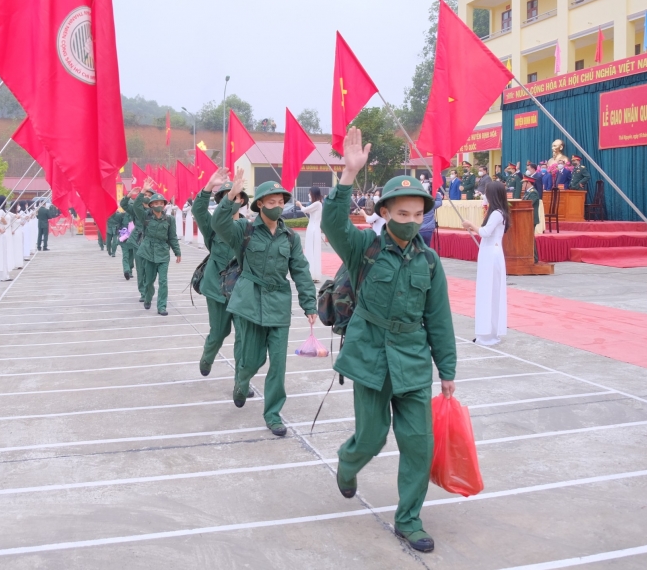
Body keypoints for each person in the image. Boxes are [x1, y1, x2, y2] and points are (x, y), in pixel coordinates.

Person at [322, 128, 456, 554]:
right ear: (384, 213)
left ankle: (409, 519)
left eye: (418, 213)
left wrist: (447, 370)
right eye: (402, 214)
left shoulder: (430, 262)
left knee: (419, 442)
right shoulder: (364, 247)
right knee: (374, 436)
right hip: (371, 354)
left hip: (413, 358)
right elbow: (332, 223)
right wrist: (348, 174)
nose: (411, 221)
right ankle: (348, 462)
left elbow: (439, 318)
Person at [211, 170, 317, 437]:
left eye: (281, 201)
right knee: (252, 359)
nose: (277, 206)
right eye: (271, 202)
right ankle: (241, 381)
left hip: (279, 303)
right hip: (249, 301)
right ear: (259, 204)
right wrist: (232, 197)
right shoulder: (243, 230)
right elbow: (218, 223)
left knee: (278, 364)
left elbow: (301, 271)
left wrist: (309, 304)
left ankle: (272, 414)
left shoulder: (290, 238)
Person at [194, 170, 248, 376]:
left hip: (241, 291)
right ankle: (208, 357)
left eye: (235, 195)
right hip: (216, 288)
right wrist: (209, 185)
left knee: (243, 337)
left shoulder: (249, 228)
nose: (232, 199)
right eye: (227, 196)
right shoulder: (213, 227)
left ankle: (241, 382)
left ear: (242, 200)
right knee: (219, 332)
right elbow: (199, 211)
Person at [462, 182, 509, 346]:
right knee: (487, 292)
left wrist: (470, 225)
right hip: (489, 252)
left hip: (492, 253)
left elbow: (485, 232)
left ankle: (489, 335)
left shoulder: (497, 213)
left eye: (486, 193)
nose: (484, 195)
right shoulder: (496, 212)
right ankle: (485, 333)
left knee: (490, 293)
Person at [132, 190, 181, 315]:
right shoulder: (146, 217)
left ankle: (162, 306)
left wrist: (177, 252)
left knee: (163, 281)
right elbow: (136, 207)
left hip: (163, 252)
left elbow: (172, 237)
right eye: (156, 203)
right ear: (151, 205)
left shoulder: (170, 219)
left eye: (161, 202)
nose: (159, 205)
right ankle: (147, 298)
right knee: (149, 281)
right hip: (148, 252)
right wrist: (142, 193)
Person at [296, 186, 324, 282]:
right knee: (311, 250)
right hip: (312, 228)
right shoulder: (317, 204)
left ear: (313, 194)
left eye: (310, 193)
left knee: (313, 250)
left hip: (313, 229)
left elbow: (304, 209)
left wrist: (299, 204)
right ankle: (312, 274)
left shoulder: (317, 203)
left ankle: (313, 274)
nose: (309, 195)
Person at [0, 195, 12, 281]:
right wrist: (0, 230)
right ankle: (2, 275)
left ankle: (6, 274)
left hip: (6, 233)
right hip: (2, 234)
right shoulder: (0, 211)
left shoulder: (5, 211)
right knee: (2, 253)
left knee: (6, 253)